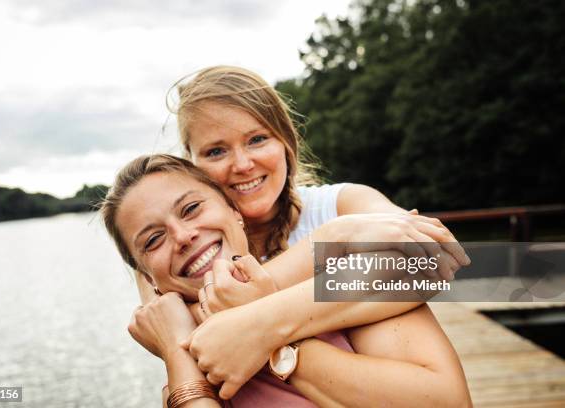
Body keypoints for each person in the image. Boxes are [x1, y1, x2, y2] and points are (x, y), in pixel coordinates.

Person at [132, 65, 470, 399]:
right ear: (193, 165)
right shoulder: (184, 255)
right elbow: (176, 331)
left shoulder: (340, 206)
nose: (243, 164)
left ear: (286, 142)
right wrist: (334, 246)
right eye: (216, 151)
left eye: (257, 139)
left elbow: (431, 260)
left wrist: (261, 322)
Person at [102, 154, 471, 407]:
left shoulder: (343, 275)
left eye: (192, 208)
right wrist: (176, 353)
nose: (182, 236)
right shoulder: (183, 352)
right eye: (153, 240)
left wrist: (266, 337)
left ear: (235, 212)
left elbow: (448, 401)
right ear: (146, 277)